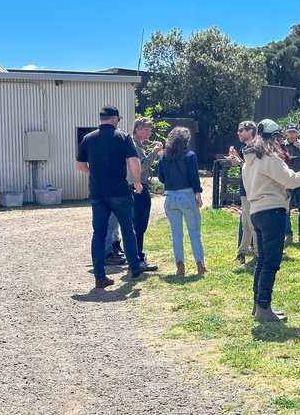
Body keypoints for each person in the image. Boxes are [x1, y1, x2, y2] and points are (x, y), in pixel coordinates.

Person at [242, 119, 300, 322]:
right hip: (272, 212)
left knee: (262, 260)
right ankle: (264, 307)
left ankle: (259, 305)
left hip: (256, 211)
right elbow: (289, 180)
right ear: (274, 138)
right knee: (271, 262)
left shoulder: (249, 160)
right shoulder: (270, 158)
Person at [76, 105, 146, 289]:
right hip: (119, 191)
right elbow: (133, 161)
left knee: (99, 234)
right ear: (115, 119)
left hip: (98, 192)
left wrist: (95, 173)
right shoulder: (122, 137)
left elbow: (81, 166)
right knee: (127, 228)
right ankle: (134, 266)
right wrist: (137, 181)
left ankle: (100, 276)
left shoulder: (88, 139)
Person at [158, 127, 206, 276]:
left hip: (170, 197)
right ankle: (200, 265)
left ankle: (180, 265)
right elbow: (194, 178)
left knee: (176, 234)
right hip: (186, 195)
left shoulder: (164, 157)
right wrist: (198, 193)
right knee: (194, 233)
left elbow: (161, 178)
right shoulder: (190, 155)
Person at [127, 117, 162, 271]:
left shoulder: (137, 144)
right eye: (146, 129)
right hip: (138, 186)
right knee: (139, 223)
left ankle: (136, 256)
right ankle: (137, 258)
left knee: (137, 223)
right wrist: (154, 153)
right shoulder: (134, 145)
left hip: (136, 186)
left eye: (150, 129)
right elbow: (142, 165)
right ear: (137, 129)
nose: (150, 132)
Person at [229, 120, 258, 267]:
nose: (238, 133)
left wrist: (239, 161)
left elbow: (253, 168)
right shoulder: (244, 148)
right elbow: (241, 166)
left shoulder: (256, 147)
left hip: (253, 190)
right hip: (244, 190)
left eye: (241, 130)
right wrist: (235, 158)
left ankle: (257, 255)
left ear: (250, 132)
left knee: (253, 224)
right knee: (245, 223)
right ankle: (242, 252)